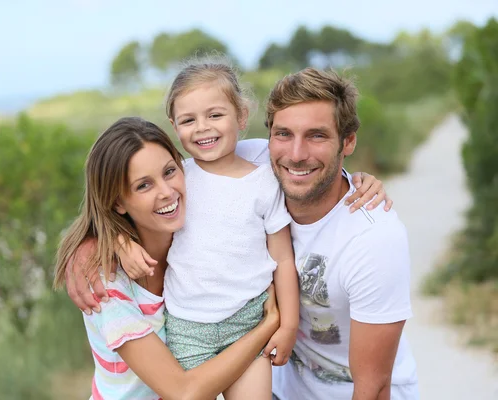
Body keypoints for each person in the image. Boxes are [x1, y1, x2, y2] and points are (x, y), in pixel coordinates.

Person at [53, 117, 281, 400]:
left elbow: (263, 158)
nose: (166, 192)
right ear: (117, 202)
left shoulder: (196, 233)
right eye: (143, 186)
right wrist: (267, 326)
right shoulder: (106, 284)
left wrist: (351, 182)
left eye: (170, 171)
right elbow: (183, 392)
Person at [113, 59, 299, 398]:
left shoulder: (265, 182)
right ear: (174, 126)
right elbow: (130, 218)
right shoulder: (175, 177)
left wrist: (288, 324)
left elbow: (283, 259)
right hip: (187, 325)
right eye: (188, 120)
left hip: (249, 318)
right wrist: (119, 241)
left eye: (215, 115)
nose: (202, 127)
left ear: (242, 115)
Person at [262, 68, 419, 399]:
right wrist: (121, 238)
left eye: (317, 136)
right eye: (284, 134)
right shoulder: (255, 167)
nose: (296, 154)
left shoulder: (373, 239)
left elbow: (373, 387)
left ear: (348, 141)